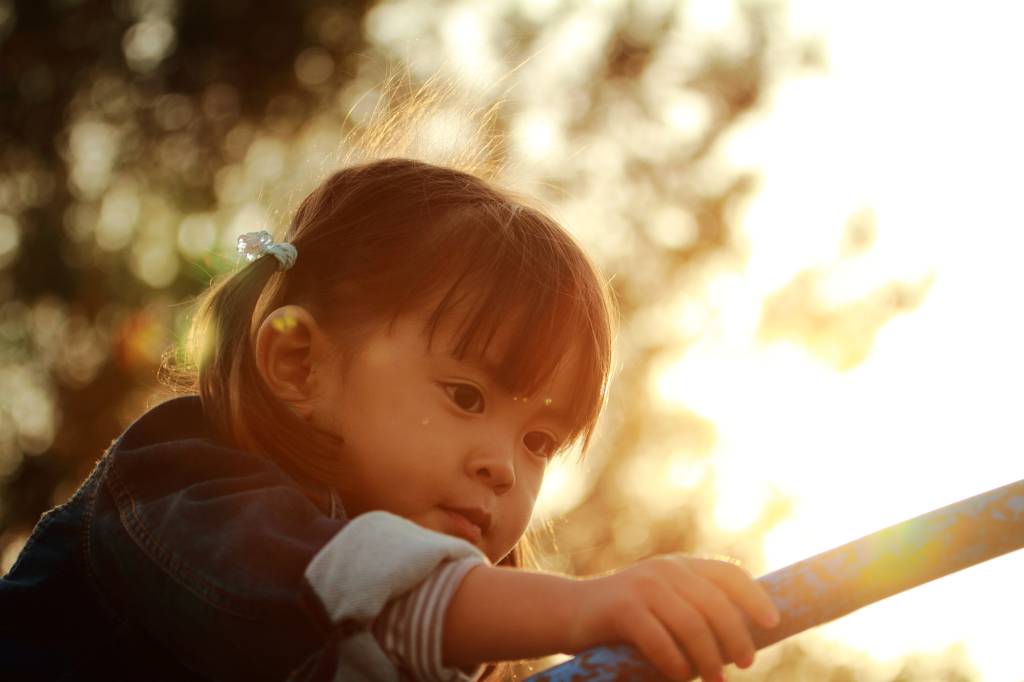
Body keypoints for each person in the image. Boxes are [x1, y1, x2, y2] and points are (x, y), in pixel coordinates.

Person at [0, 158, 779, 682]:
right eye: (466, 397)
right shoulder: (183, 488)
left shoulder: (447, 609)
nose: (503, 466)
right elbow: (344, 584)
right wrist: (586, 606)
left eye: (539, 441)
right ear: (302, 366)